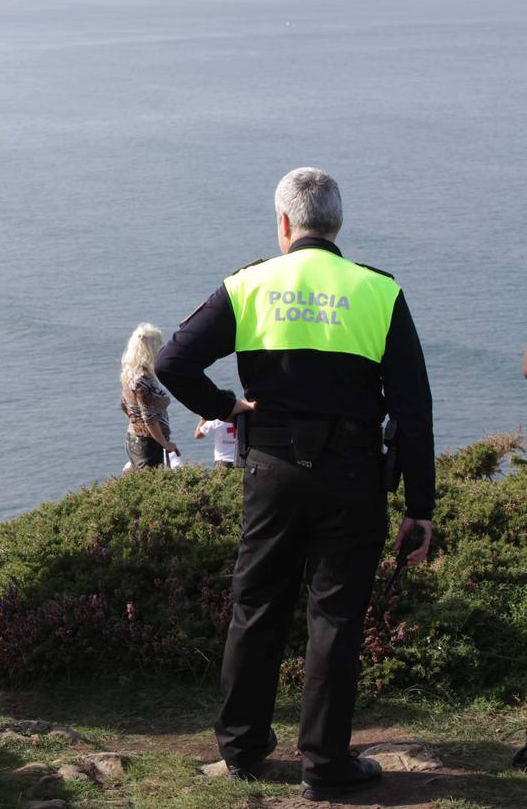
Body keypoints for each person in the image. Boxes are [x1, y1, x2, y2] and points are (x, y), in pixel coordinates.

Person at [155, 167, 434, 802]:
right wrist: (420, 506)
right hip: (354, 473)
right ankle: (325, 765)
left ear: (284, 224)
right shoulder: (378, 292)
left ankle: (243, 750)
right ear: (336, 223)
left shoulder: (248, 285)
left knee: (257, 607)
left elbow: (171, 360)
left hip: (272, 471)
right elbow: (413, 410)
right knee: (333, 616)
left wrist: (225, 406)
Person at [120, 323, 178, 469]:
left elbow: (123, 405)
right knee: (152, 486)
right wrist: (165, 443)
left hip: (135, 439)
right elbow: (149, 418)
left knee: (142, 485)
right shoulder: (142, 381)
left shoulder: (130, 375)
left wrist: (136, 421)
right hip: (147, 445)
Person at [194, 392, 239, 469]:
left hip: (222, 462)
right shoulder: (241, 419)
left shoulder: (216, 420)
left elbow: (197, 435)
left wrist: (204, 417)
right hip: (239, 461)